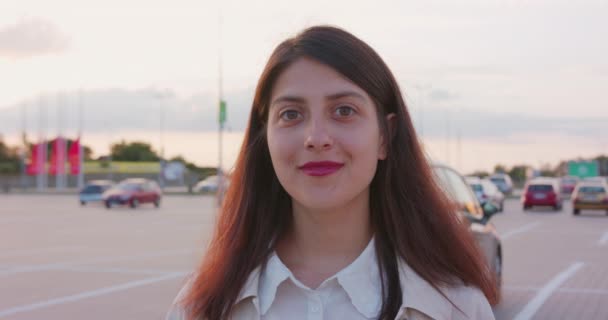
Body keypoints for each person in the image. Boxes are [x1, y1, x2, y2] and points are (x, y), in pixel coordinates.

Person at [167, 25, 497, 320]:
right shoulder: (201, 307)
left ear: (385, 136)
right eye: (291, 114)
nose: (316, 138)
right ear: (264, 137)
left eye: (344, 110)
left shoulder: (458, 308)